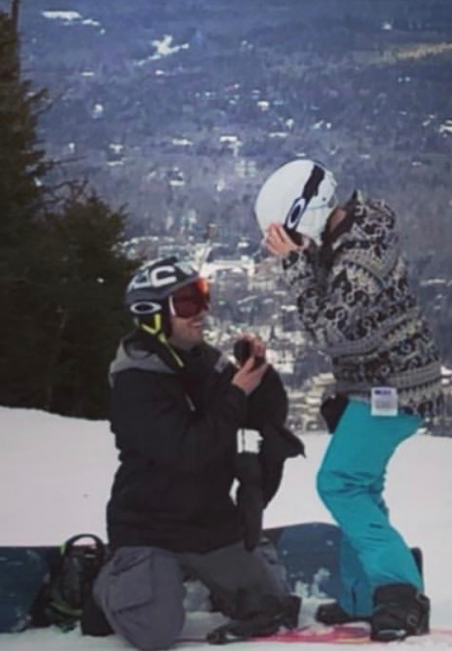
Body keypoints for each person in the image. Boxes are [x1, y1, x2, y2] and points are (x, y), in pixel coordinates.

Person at [257, 159, 443, 642]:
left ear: (309, 211)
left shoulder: (362, 252)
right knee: (361, 486)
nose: (294, 244)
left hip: (397, 388)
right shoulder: (344, 236)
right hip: (372, 384)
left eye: (292, 233)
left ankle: (401, 596)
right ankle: (365, 595)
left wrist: (295, 265)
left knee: (340, 483)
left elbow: (330, 327)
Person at [91, 256, 304, 650]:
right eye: (187, 303)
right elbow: (190, 451)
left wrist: (259, 374)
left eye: (202, 296)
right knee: (154, 633)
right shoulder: (135, 382)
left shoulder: (205, 363)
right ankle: (107, 583)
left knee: (272, 605)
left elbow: (261, 418)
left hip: (207, 523)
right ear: (153, 315)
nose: (201, 312)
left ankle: (191, 575)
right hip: (148, 527)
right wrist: (236, 392)